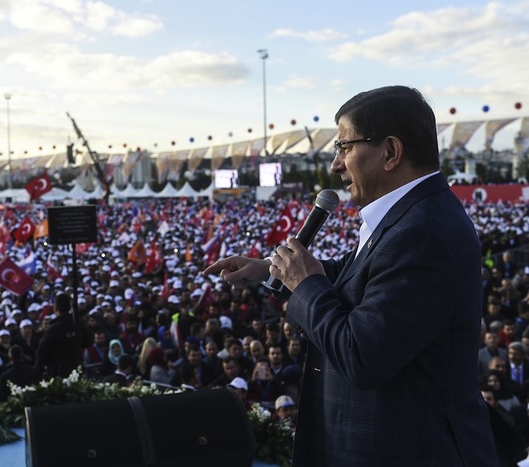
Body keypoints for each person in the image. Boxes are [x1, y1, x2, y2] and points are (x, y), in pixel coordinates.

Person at [204, 86, 502, 465]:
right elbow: (358, 276)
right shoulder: (410, 216)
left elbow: (362, 354)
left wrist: (306, 284)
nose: (335, 164)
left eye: (344, 147)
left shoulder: (422, 231)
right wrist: (270, 269)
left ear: (390, 152)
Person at [35, 293, 80, 378]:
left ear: (55, 308)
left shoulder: (52, 330)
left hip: (59, 374)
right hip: (75, 370)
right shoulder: (78, 324)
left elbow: (41, 354)